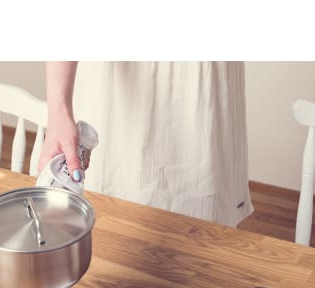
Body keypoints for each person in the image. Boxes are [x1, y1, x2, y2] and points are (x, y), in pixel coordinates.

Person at [38, 61, 253, 227]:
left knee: (204, 235)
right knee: (104, 229)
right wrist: (58, 113)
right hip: (117, 92)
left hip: (201, 87)